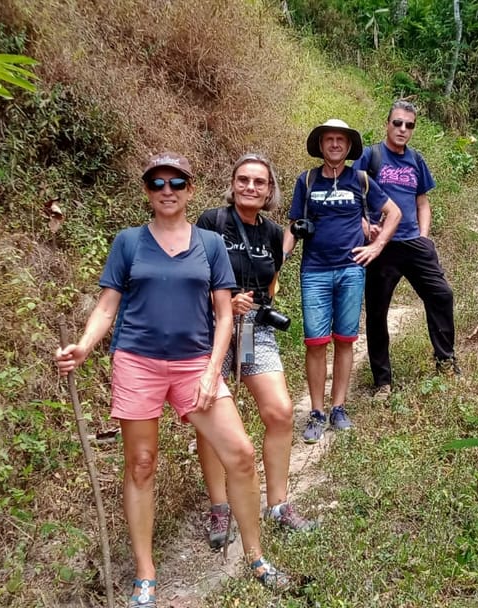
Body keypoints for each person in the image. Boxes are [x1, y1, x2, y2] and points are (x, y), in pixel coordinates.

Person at [55, 152, 288, 606]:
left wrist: (209, 370)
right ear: (147, 191)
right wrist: (83, 346)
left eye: (176, 183)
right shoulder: (128, 242)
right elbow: (107, 306)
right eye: (157, 184)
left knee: (239, 453)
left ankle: (256, 557)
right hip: (137, 363)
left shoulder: (209, 243)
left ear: (189, 189)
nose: (167, 191)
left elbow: (224, 316)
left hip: (194, 364)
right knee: (141, 464)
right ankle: (146, 571)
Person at [195, 153, 316, 549]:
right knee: (211, 416)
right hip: (212, 330)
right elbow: (192, 282)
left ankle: (278, 504)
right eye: (243, 180)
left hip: (253, 330)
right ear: (232, 185)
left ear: (269, 191)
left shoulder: (271, 233)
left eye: (259, 182)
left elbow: (273, 279)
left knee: (280, 411)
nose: (250, 187)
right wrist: (225, 305)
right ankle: (219, 505)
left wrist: (254, 306)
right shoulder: (210, 225)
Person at [283, 119, 402, 443]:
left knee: (345, 340)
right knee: (315, 342)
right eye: (329, 140)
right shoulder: (306, 181)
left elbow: (394, 213)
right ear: (320, 146)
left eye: (341, 140)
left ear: (349, 147)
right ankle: (317, 412)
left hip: (351, 270)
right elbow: (294, 226)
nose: (335, 144)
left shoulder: (360, 180)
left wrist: (377, 246)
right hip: (314, 272)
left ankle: (338, 408)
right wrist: (281, 259)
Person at [353, 100, 460, 399]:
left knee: (441, 295)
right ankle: (382, 381)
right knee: (377, 312)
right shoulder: (369, 156)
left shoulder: (416, 160)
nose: (402, 129)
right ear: (387, 123)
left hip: (413, 242)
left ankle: (445, 361)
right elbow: (353, 197)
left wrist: (424, 237)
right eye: (397, 123)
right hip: (380, 247)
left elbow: (422, 201)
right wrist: (365, 227)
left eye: (409, 125)